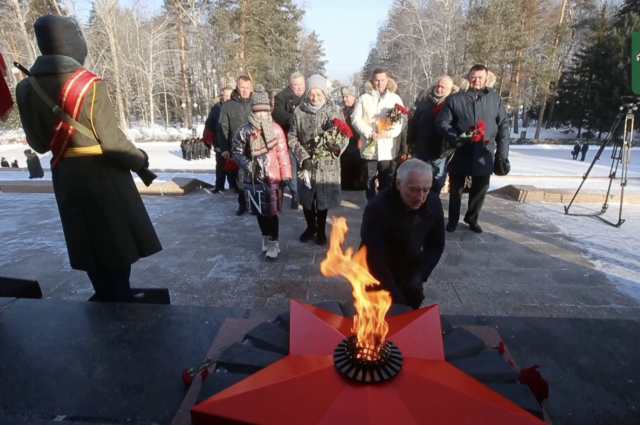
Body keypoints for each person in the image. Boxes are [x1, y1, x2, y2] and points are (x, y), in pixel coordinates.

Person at [15, 15, 162, 302]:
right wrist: (140, 160)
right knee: (116, 242)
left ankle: (103, 297)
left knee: (86, 241)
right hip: (102, 173)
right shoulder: (88, 84)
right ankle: (121, 299)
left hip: (66, 175)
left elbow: (39, 144)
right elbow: (111, 141)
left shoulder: (25, 88)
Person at [360, 159, 445, 309]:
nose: (420, 198)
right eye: (413, 190)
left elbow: (436, 245)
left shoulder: (433, 203)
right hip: (376, 273)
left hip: (410, 269)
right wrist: (395, 299)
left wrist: (421, 274)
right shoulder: (377, 208)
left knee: (410, 313)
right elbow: (374, 258)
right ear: (399, 184)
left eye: (426, 190)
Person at [436, 64, 509, 234]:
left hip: (485, 152)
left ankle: (472, 218)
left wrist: (502, 154)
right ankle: (453, 220)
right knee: (456, 189)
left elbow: (504, 126)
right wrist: (456, 137)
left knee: (480, 188)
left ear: (486, 78)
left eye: (480, 77)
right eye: (473, 77)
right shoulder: (456, 99)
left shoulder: (495, 99)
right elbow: (442, 122)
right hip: (461, 151)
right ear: (468, 78)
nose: (476, 80)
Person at [288, 74, 348, 246]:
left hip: (327, 162)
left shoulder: (334, 110)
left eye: (319, 94)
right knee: (307, 198)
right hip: (307, 163)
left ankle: (321, 230)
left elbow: (345, 134)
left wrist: (337, 148)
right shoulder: (299, 112)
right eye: (312, 94)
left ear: (324, 93)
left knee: (323, 198)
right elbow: (292, 137)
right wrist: (303, 156)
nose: (314, 98)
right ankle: (310, 227)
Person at [233, 86, 292, 259]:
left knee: (272, 213)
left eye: (264, 111)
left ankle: (274, 242)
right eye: (257, 111)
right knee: (259, 211)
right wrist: (247, 165)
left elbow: (282, 153)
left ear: (269, 111)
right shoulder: (244, 130)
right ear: (252, 111)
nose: (261, 115)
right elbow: (237, 152)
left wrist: (286, 174)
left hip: (273, 177)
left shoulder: (275, 130)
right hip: (253, 179)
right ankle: (265, 237)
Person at [351, 68, 405, 201]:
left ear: (387, 80)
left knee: (386, 178)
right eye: (376, 80)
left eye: (382, 80)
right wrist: (369, 133)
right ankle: (371, 203)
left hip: (387, 146)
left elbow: (403, 120)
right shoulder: (364, 98)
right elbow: (355, 118)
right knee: (369, 178)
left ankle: (384, 204)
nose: (379, 83)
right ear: (372, 80)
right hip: (370, 145)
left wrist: (388, 134)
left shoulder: (394, 98)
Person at [411, 76, 459, 193]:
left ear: (450, 89)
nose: (439, 89)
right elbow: (414, 121)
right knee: (418, 175)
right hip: (422, 145)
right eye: (438, 86)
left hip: (440, 149)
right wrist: (411, 141)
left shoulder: (453, 102)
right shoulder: (425, 100)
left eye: (443, 87)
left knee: (438, 177)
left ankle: (434, 197)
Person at [218, 76, 253, 215]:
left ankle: (255, 203)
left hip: (255, 147)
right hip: (237, 147)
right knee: (241, 179)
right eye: (242, 88)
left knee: (256, 177)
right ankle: (242, 205)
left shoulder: (256, 103)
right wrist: (225, 148)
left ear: (251, 88)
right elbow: (222, 128)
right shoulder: (228, 106)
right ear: (237, 88)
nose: (244, 91)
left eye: (247, 88)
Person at [272, 72, 306, 209]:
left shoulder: (311, 95)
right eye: (296, 85)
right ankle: (296, 196)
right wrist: (298, 118)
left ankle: (306, 195)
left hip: (308, 140)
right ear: (291, 85)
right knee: (293, 168)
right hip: (289, 138)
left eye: (301, 84)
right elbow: (279, 115)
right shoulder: (281, 97)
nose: (299, 87)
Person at [204, 87, 234, 193]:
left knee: (233, 166)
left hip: (233, 141)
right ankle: (219, 185)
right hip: (219, 142)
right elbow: (209, 124)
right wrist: (207, 136)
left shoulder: (235, 107)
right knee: (220, 165)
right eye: (223, 95)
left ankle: (234, 186)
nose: (225, 97)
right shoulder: (216, 108)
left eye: (228, 95)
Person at [339, 85, 364, 190]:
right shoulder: (340, 109)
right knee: (345, 164)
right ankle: (345, 184)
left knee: (358, 163)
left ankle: (358, 183)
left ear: (353, 96)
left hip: (358, 140)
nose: (344, 99)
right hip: (344, 142)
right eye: (343, 97)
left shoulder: (360, 107)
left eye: (347, 96)